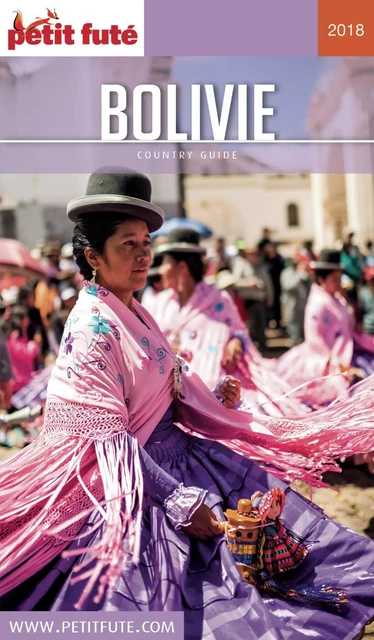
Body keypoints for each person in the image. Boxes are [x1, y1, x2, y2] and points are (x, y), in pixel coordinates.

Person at [1, 171, 374, 640]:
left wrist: (214, 397)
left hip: (178, 457)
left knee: (280, 564)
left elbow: (163, 381)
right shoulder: (90, 326)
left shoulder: (132, 308)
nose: (143, 255)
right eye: (127, 244)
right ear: (93, 256)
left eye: (145, 242)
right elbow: (109, 437)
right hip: (141, 479)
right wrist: (177, 499)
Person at [144, 229, 305, 417]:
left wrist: (235, 342)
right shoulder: (159, 303)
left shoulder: (218, 300)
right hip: (166, 391)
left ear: (182, 267)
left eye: (166, 263)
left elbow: (238, 332)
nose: (161, 270)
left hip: (214, 387)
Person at [275, 249, 374, 406]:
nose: (339, 282)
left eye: (339, 278)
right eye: (334, 279)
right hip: (325, 357)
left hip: (346, 352)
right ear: (321, 279)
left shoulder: (337, 298)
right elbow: (313, 337)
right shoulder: (318, 303)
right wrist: (332, 361)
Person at [281, 254, 311, 346]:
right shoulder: (286, 273)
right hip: (291, 306)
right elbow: (288, 286)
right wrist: (299, 276)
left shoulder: (302, 272)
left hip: (303, 306)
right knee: (294, 332)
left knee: (303, 332)